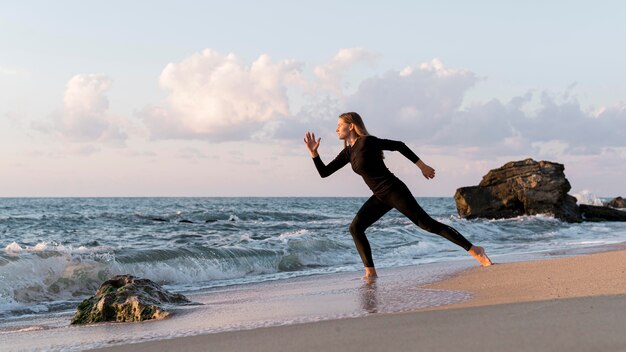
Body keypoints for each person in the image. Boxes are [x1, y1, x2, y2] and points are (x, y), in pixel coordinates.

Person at [304, 112, 492, 279]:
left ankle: (475, 250)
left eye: (339, 125)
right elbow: (325, 172)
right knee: (356, 228)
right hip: (379, 196)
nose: (336, 129)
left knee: (427, 224)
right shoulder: (348, 151)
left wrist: (422, 166)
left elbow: (399, 146)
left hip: (394, 190)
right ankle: (370, 272)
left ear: (351, 126)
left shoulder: (367, 142)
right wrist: (314, 154)